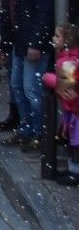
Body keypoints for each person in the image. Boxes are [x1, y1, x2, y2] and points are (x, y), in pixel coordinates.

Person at [0, 0, 55, 152]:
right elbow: (8, 14)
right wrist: (5, 45)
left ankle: (39, 133)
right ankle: (27, 129)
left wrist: (36, 43)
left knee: (31, 89)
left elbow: (44, 12)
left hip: (32, 43)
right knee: (18, 87)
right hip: (18, 43)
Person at [43, 24, 79, 186]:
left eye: (57, 36)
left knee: (75, 142)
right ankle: (73, 169)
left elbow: (66, 85)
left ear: (67, 40)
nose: (53, 38)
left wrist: (48, 78)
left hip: (75, 110)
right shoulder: (66, 58)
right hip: (72, 110)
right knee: (72, 141)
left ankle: (75, 172)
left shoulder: (71, 60)